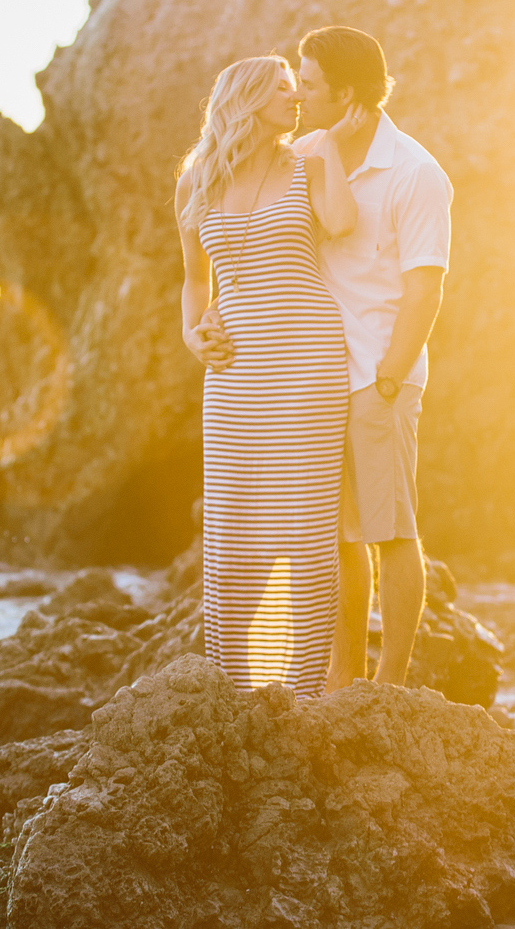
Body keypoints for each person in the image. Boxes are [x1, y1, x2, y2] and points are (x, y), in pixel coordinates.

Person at [174, 54, 367, 697]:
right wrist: (191, 332)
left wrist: (332, 147)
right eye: (284, 89)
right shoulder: (195, 180)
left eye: (295, 88)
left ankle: (303, 691)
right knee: (235, 519)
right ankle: (235, 688)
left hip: (307, 362)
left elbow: (342, 223)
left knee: (305, 523)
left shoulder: (307, 163)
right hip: (232, 372)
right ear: (248, 97)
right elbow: (194, 281)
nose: (295, 100)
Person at [291, 26, 453, 691]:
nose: (298, 95)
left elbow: (426, 285)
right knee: (339, 538)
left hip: (379, 378)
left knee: (391, 532)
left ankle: (388, 685)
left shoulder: (416, 172)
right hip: (323, 375)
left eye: (308, 84)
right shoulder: (306, 151)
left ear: (346, 93)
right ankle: (343, 675)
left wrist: (388, 378)